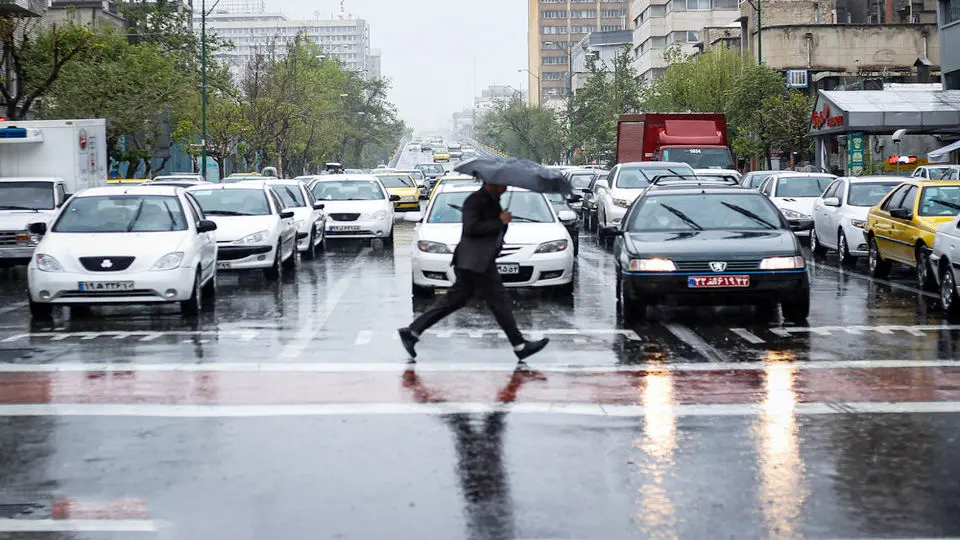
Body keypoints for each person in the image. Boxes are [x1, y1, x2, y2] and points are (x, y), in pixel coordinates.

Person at [397, 182, 550, 361]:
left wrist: (503, 222)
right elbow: (471, 228)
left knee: (455, 300)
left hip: (479, 260)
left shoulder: (491, 200)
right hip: (475, 261)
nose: (505, 188)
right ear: (491, 184)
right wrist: (499, 221)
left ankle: (413, 331)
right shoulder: (475, 200)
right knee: (498, 302)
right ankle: (520, 345)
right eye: (502, 185)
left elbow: (494, 230)